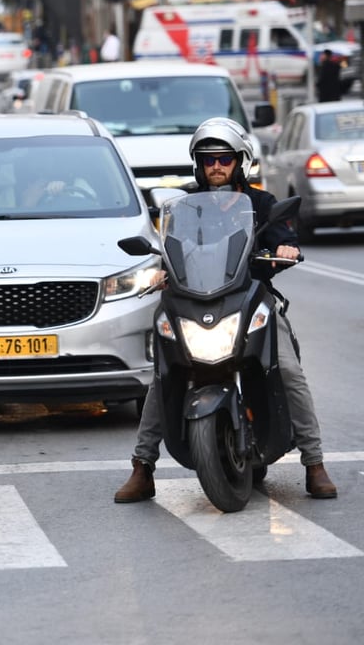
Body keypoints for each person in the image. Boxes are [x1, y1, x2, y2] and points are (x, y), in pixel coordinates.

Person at [114, 117, 337, 503]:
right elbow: (168, 246)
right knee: (164, 374)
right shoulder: (184, 205)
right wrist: (157, 271)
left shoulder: (262, 203)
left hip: (249, 299)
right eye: (208, 160)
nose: (216, 166)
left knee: (288, 371)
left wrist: (284, 249)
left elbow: (282, 234)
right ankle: (142, 466)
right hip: (190, 301)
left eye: (224, 159)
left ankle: (314, 463)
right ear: (197, 165)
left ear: (241, 161)